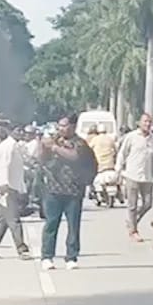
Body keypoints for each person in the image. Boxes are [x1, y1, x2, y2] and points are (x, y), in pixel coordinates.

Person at [40, 115, 95, 270]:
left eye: (64, 125)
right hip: (53, 189)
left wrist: (55, 148)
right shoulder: (53, 140)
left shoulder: (80, 143)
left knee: (73, 226)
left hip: (73, 190)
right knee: (51, 224)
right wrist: (44, 147)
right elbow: (42, 159)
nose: (61, 129)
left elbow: (74, 157)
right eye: (59, 126)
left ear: (73, 126)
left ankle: (71, 257)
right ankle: (47, 256)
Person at [0, 126, 32, 260]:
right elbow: (4, 165)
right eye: (17, 130)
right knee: (14, 219)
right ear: (10, 131)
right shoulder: (7, 146)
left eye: (22, 131)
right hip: (7, 187)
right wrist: (3, 184)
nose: (20, 133)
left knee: (2, 221)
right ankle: (22, 249)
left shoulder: (16, 146)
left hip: (13, 186)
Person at [116, 113, 153, 242]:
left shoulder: (152, 139)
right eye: (145, 121)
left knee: (148, 203)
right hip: (132, 175)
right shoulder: (131, 137)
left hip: (147, 176)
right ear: (139, 123)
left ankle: (132, 220)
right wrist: (118, 169)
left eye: (149, 122)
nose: (147, 124)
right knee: (132, 205)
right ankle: (134, 231)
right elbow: (122, 153)